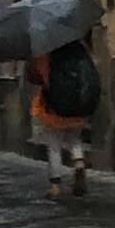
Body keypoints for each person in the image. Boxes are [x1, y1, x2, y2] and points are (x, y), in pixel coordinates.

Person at [26, 54, 87, 198]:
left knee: (54, 146)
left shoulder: (45, 55)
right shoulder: (78, 51)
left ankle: (55, 186)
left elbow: (39, 78)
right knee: (74, 138)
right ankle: (79, 163)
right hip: (76, 104)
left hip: (54, 106)